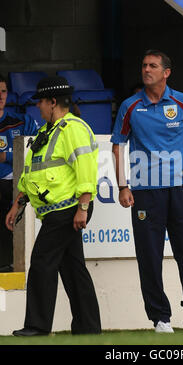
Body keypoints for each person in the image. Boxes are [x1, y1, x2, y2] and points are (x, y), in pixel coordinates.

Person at [111, 49, 183, 333]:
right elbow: (117, 146)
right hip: (145, 192)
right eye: (144, 65)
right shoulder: (130, 106)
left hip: (180, 189)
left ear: (166, 72)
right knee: (149, 256)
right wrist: (123, 185)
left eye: (153, 66)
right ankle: (160, 318)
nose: (146, 70)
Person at [6, 76, 101, 336]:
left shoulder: (72, 129)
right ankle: (88, 327)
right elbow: (32, 173)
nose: (38, 107)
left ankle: (37, 326)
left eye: (41, 102)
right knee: (72, 269)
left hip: (68, 207)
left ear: (53, 102)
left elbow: (86, 169)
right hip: (60, 210)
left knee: (41, 262)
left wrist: (83, 206)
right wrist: (19, 203)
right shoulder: (46, 131)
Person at [0, 73, 38, 272]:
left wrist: (6, 156)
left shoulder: (21, 121)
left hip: (14, 184)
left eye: (4, 91)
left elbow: (36, 149)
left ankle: (9, 264)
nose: (1, 96)